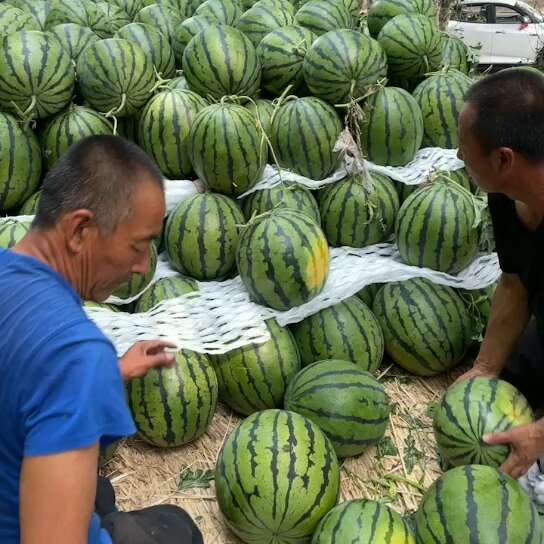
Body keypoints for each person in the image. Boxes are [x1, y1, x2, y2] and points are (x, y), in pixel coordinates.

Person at [0, 135, 203, 543]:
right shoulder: (76, 359)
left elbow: (23, 370)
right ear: (79, 229)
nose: (144, 266)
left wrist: (111, 374)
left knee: (99, 490)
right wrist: (87, 376)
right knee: (179, 529)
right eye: (139, 245)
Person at [456, 68, 544, 481]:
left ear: (503, 158)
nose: (457, 157)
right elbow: (514, 283)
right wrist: (487, 366)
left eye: (464, 148)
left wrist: (540, 434)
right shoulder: (505, 192)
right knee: (508, 384)